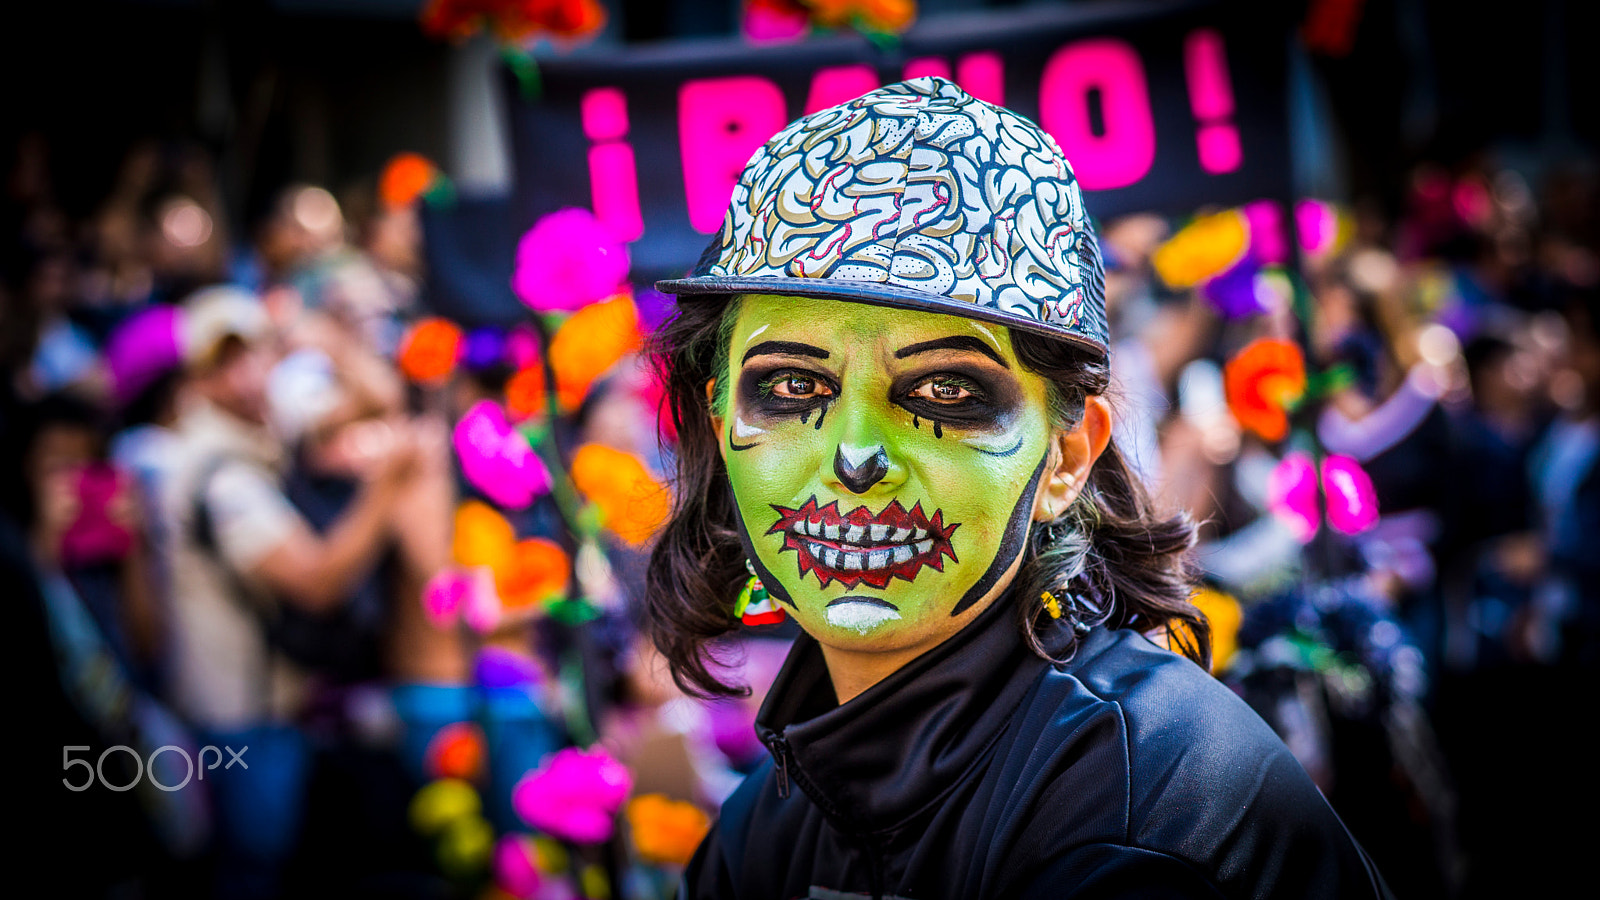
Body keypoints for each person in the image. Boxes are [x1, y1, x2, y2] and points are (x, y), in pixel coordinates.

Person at [644, 78, 1393, 899]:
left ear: (1069, 455)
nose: (855, 456)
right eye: (790, 387)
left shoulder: (1142, 822)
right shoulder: (767, 826)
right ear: (719, 426)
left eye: (945, 393)